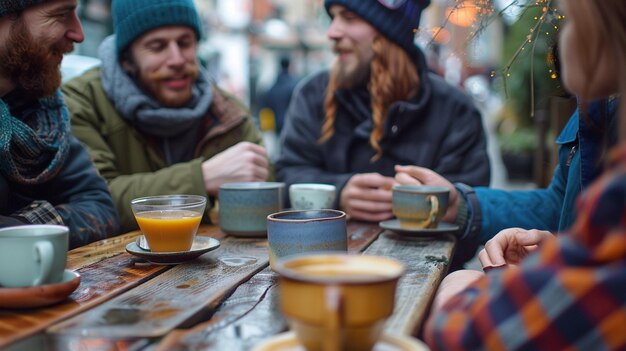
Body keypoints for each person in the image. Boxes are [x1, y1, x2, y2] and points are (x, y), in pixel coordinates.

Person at [424, 1, 626, 349]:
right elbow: (561, 207)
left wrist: (458, 288)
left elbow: (463, 331)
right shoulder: (594, 115)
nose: (561, 42)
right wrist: (462, 205)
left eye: (572, 21)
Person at [62, 0, 270, 232]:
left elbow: (268, 196)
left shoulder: (228, 113)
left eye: (185, 43)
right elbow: (92, 202)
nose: (177, 59)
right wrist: (201, 178)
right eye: (157, 46)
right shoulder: (82, 102)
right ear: (126, 60)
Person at [276, 0, 490, 223]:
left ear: (391, 29)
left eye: (349, 18)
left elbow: (472, 212)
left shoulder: (454, 110)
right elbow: (287, 174)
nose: (332, 32)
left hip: (424, 257)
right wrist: (339, 193)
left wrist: (422, 206)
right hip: (329, 256)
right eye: (333, 17)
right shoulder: (312, 95)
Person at [0, 0, 120, 248]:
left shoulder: (43, 114)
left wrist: (21, 228)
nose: (79, 34)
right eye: (61, 14)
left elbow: (100, 208)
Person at [259, 56, 299, 134]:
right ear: (290, 66)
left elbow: (266, 104)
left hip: (277, 123)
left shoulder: (274, 86)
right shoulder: (294, 84)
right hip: (291, 124)